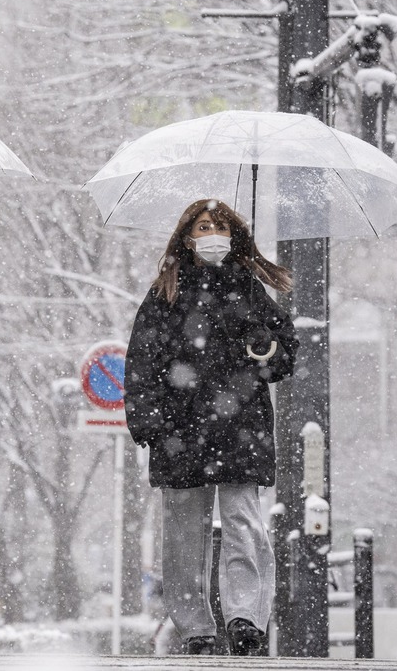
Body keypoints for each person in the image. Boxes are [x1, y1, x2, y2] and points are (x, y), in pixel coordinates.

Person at [124, 199, 297, 657]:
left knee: (244, 523)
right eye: (204, 226)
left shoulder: (252, 291)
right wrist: (148, 423)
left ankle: (246, 619)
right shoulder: (165, 293)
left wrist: (266, 347)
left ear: (234, 234)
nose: (212, 233)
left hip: (241, 425)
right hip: (178, 430)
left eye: (220, 225)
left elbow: (285, 355)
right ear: (188, 236)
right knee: (183, 532)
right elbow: (141, 361)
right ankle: (195, 626)